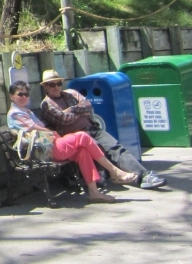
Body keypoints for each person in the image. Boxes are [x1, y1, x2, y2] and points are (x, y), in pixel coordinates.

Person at [7, 81, 138, 204]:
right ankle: (114, 171)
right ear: (12, 96)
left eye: (26, 94)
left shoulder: (27, 111)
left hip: (49, 145)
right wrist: (53, 131)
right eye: (20, 94)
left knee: (83, 151)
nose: (24, 97)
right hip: (43, 151)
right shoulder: (15, 113)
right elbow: (36, 128)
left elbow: (84, 106)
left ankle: (94, 192)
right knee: (82, 137)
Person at [37, 70, 166, 190]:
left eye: (58, 83)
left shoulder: (71, 93)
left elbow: (88, 105)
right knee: (100, 150)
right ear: (45, 87)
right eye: (51, 84)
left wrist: (71, 109)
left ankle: (144, 176)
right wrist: (80, 111)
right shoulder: (46, 104)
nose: (56, 87)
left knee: (116, 148)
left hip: (92, 128)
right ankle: (114, 175)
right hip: (76, 136)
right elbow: (64, 120)